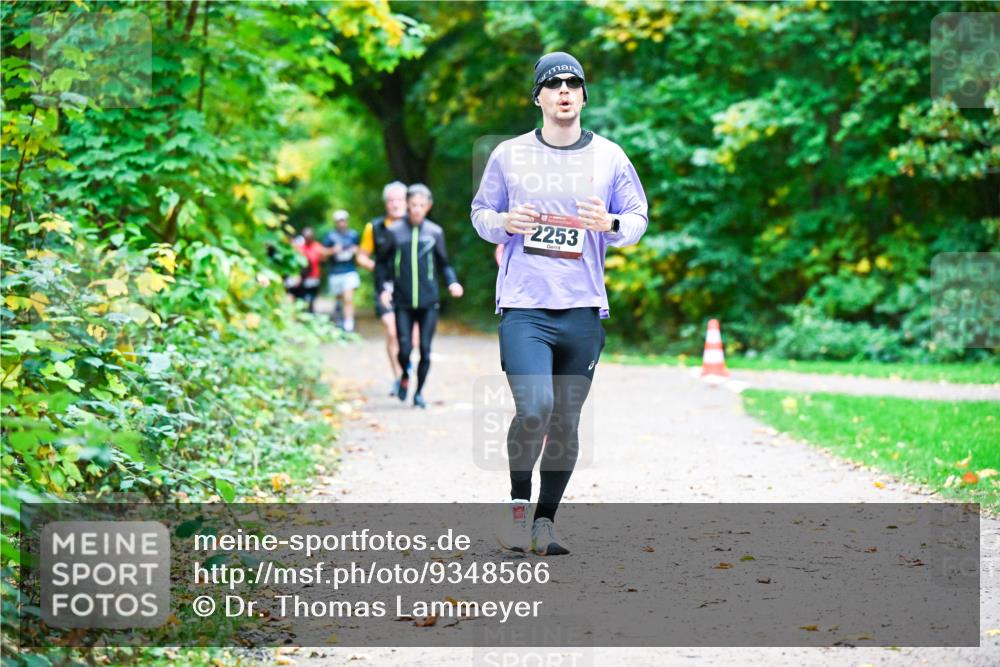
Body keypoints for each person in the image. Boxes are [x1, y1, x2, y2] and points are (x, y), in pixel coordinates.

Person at [471, 52, 648, 555]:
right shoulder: (508, 155)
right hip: (526, 305)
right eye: (554, 85)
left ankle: (545, 523)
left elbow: (637, 217)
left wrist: (609, 225)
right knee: (536, 408)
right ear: (539, 97)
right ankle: (516, 509)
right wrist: (505, 222)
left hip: (583, 308)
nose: (564, 91)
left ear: (584, 95)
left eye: (573, 83)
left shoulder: (610, 157)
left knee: (566, 420)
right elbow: (480, 213)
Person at [376, 184, 463, 409]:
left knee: (425, 349)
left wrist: (452, 282)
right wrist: (383, 290)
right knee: (404, 348)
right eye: (413, 205)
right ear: (407, 204)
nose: (416, 209)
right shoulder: (394, 232)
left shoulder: (434, 232)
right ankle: (404, 375)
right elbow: (382, 265)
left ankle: (419, 393)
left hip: (429, 302)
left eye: (421, 206)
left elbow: (444, 264)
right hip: (403, 301)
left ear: (428, 207)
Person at [357, 182, 416, 396]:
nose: (395, 204)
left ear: (407, 202)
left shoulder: (416, 225)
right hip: (385, 287)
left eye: (399, 200)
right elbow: (361, 256)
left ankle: (406, 363)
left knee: (411, 336)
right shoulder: (374, 227)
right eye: (391, 200)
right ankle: (400, 377)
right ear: (385, 204)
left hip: (411, 287)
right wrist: (377, 267)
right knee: (392, 331)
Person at [323, 209, 361, 333]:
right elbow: (322, 254)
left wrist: (356, 251)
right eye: (339, 221)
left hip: (349, 270)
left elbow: (362, 251)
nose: (341, 223)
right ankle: (339, 318)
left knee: (348, 297)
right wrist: (333, 250)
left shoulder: (353, 235)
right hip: (335, 271)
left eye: (343, 220)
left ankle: (349, 325)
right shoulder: (330, 236)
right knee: (339, 298)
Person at [290, 227, 326, 313]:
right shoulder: (299, 247)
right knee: (301, 299)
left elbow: (324, 257)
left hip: (314, 277)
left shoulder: (317, 246)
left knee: (312, 300)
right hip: (303, 278)